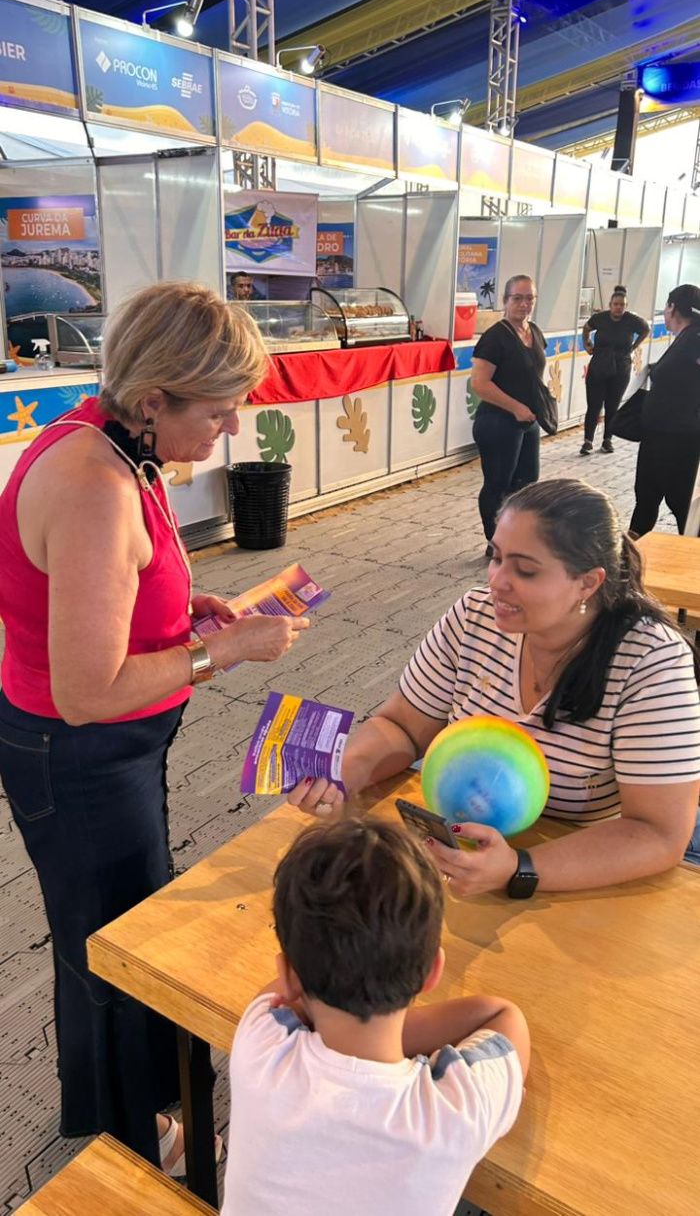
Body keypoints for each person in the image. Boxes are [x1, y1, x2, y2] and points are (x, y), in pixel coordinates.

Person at [0, 282, 309, 1172]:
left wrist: (178, 612)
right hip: (83, 754)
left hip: (99, 756)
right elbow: (86, 690)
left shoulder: (104, 444)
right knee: (120, 954)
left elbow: (103, 592)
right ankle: (141, 1142)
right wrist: (229, 652)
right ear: (152, 400)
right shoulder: (95, 484)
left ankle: (119, 1119)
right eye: (218, 413)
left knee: (102, 937)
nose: (230, 432)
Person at [289, 478, 700, 893]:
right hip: (456, 858)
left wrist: (519, 867)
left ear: (588, 583)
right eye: (496, 557)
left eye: (525, 569)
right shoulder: (474, 617)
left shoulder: (651, 662)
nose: (497, 582)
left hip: (580, 868)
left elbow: (659, 833)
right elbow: (402, 727)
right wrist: (344, 772)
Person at [221, 818, 529, 1216]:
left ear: (288, 974)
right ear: (432, 973)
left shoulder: (259, 1043)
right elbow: (503, 1016)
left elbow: (283, 996)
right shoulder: (456, 1113)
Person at [471, 274, 546, 554]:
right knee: (498, 483)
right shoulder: (495, 337)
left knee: (528, 482)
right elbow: (480, 383)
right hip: (498, 422)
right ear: (505, 301)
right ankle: (495, 541)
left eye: (529, 298)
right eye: (517, 298)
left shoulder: (534, 332)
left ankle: (514, 536)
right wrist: (515, 407)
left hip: (527, 422)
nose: (524, 304)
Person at [629, 283, 700, 537]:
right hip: (658, 438)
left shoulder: (695, 338)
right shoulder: (685, 338)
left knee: (682, 505)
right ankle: (631, 554)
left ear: (672, 308)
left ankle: (693, 558)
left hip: (679, 440)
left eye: (666, 307)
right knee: (647, 499)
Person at [581, 285, 649, 456]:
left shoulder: (632, 320)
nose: (619, 307)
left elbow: (645, 329)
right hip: (599, 364)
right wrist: (587, 343)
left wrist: (634, 346)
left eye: (622, 304)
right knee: (594, 405)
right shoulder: (600, 318)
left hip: (620, 366)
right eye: (616, 304)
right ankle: (587, 440)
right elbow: (586, 328)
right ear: (610, 305)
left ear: (626, 306)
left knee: (612, 405)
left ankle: (607, 439)